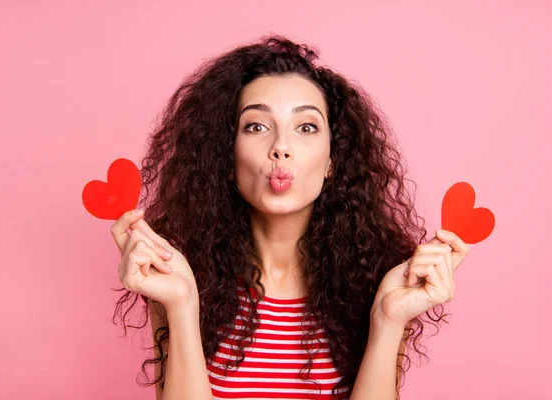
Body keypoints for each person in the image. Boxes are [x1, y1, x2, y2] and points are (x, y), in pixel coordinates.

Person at [110, 34, 470, 400]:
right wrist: (182, 304)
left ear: (333, 160)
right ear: (227, 157)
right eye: (257, 126)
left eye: (306, 127)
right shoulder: (181, 273)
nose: (281, 147)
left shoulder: (379, 277)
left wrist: (388, 320)